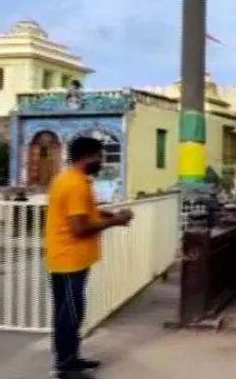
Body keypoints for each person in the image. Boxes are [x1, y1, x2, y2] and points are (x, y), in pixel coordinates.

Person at [45, 136, 134, 379]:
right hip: (69, 259)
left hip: (68, 258)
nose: (101, 161)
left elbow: (82, 212)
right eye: (99, 157)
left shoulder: (68, 179)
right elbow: (79, 227)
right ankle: (64, 367)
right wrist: (116, 221)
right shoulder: (75, 184)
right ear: (87, 156)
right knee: (70, 313)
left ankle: (71, 358)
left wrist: (106, 214)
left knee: (69, 312)